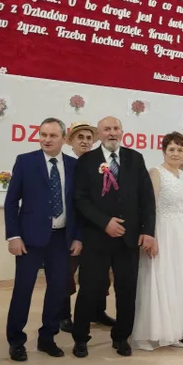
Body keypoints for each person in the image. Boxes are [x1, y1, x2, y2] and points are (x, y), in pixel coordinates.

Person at [71, 116, 157, 357]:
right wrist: (104, 222)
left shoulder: (135, 158)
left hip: (128, 240)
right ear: (98, 134)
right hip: (97, 237)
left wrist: (148, 231)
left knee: (127, 290)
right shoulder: (87, 161)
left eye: (116, 128)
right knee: (89, 289)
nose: (112, 133)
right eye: (106, 129)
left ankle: (121, 337)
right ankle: (80, 338)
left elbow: (147, 198)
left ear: (122, 132)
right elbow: (80, 199)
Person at [4, 118, 81, 361]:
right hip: (29, 239)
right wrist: (14, 235)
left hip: (61, 239)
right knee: (23, 290)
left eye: (53, 135)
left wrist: (78, 237)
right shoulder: (25, 161)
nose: (47, 140)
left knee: (58, 291)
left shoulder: (73, 165)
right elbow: (11, 202)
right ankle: (16, 341)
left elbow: (78, 205)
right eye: (43, 135)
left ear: (64, 139)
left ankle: (48, 337)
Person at [134, 132, 183, 349]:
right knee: (157, 277)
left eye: (180, 150)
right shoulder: (156, 173)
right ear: (163, 151)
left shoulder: (182, 176)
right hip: (162, 230)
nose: (176, 153)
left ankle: (171, 333)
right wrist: (150, 235)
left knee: (176, 280)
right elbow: (149, 206)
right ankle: (147, 335)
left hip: (180, 233)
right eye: (171, 149)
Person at [60, 122, 113, 334]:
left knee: (99, 275)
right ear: (70, 141)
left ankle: (98, 310)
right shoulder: (67, 165)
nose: (85, 141)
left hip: (96, 228)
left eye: (89, 138)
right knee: (66, 273)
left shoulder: (101, 164)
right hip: (73, 228)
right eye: (80, 137)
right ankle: (63, 315)